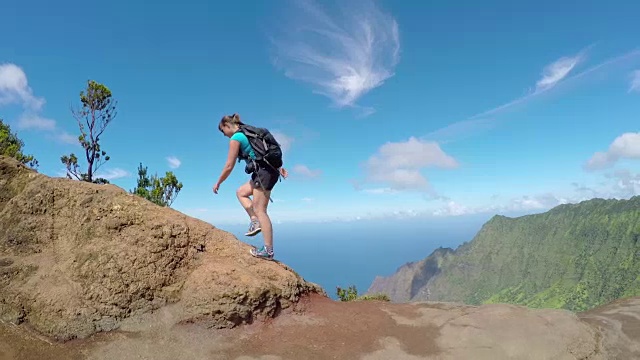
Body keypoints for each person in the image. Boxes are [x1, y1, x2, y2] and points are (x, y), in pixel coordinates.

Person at [213, 113, 287, 260]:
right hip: (267, 171)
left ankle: (268, 250)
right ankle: (254, 220)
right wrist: (279, 167)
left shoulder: (236, 137)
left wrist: (218, 182)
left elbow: (229, 165)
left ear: (228, 126)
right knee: (241, 192)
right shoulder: (249, 132)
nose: (224, 135)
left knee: (261, 210)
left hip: (263, 174)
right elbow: (264, 152)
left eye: (223, 131)